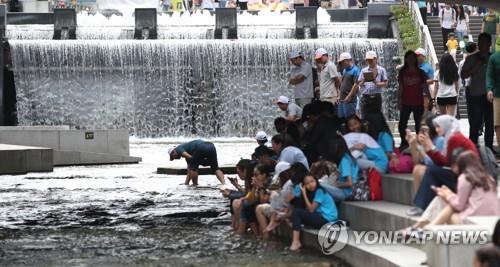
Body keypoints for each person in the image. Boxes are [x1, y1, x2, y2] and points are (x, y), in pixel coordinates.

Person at [408, 115, 478, 215]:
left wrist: (431, 147)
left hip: (468, 176)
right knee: (431, 170)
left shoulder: (454, 138)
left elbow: (446, 162)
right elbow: (442, 162)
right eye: (435, 127)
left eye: (438, 127)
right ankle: (421, 206)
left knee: (431, 170)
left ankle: (422, 206)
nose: (436, 129)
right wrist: (428, 148)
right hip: (462, 173)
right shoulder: (450, 137)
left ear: (446, 126)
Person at [461, 33, 494, 150]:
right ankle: (472, 147)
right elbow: (463, 75)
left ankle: (488, 148)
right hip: (475, 95)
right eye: (479, 42)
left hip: (490, 96)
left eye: (484, 42)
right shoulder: (471, 58)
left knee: (490, 123)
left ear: (489, 44)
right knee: (475, 123)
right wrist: (476, 67)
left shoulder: (493, 58)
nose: (480, 44)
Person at [288, 173, 338, 251]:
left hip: (327, 219)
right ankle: (296, 241)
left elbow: (311, 210)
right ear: (304, 186)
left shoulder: (320, 191)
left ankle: (296, 242)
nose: (310, 184)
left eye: (312, 181)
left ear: (316, 181)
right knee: (296, 213)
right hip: (320, 217)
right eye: (307, 183)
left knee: (297, 212)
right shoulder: (311, 193)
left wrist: (304, 193)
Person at [406, 114, 445, 194]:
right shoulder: (425, 139)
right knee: (417, 168)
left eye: (425, 126)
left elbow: (431, 163)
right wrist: (413, 144)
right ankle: (418, 202)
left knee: (420, 170)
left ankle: (423, 202)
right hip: (431, 168)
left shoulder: (440, 140)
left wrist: (420, 147)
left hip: (442, 171)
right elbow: (417, 161)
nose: (422, 130)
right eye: (421, 126)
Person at [398, 50, 428, 150]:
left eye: (412, 57)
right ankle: (404, 142)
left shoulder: (420, 72)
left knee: (419, 124)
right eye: (408, 57)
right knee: (402, 123)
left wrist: (430, 98)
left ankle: (420, 143)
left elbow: (424, 86)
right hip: (405, 101)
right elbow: (401, 87)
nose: (410, 60)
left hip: (418, 101)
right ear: (406, 59)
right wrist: (399, 100)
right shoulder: (402, 71)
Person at [320, 137, 360, 201]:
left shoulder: (344, 161)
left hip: (346, 193)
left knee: (318, 184)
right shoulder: (349, 157)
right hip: (351, 191)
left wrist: (336, 185)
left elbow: (350, 183)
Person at [356, 51, 388, 118]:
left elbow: (385, 83)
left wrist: (376, 83)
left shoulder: (381, 70)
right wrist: (364, 80)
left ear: (375, 59)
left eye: (371, 60)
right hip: (366, 97)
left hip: (376, 96)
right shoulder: (363, 70)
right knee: (365, 116)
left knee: (377, 116)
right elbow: (359, 84)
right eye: (368, 60)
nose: (369, 61)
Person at [337, 52, 361, 119]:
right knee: (341, 119)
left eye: (342, 61)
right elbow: (343, 83)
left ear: (348, 60)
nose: (341, 64)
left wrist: (350, 96)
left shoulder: (355, 70)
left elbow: (356, 84)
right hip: (342, 99)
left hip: (350, 100)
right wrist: (339, 95)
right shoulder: (345, 70)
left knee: (350, 119)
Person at [487, 41, 500, 151]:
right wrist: (489, 89)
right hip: (497, 96)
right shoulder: (494, 58)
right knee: (498, 124)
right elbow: (489, 75)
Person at [415, 48, 435, 113]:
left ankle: (424, 121)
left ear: (423, 57)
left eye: (418, 56)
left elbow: (432, 81)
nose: (416, 57)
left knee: (424, 106)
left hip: (424, 91)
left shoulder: (428, 67)